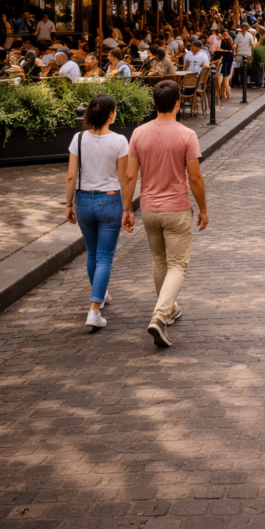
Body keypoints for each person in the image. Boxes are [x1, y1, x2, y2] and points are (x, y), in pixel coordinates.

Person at [122, 81, 208, 347]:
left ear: (153, 104)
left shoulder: (138, 134)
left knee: (159, 262)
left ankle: (169, 310)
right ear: (179, 102)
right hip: (176, 208)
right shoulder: (187, 135)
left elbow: (129, 174)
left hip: (149, 209)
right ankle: (160, 317)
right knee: (177, 265)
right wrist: (203, 208)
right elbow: (194, 178)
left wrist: (127, 208)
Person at [65, 95, 129, 329]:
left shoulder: (78, 138)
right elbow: (123, 177)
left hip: (83, 200)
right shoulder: (120, 141)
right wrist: (128, 207)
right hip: (110, 200)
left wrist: (68, 204)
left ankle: (100, 296)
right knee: (104, 257)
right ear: (111, 114)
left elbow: (71, 175)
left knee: (92, 253)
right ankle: (94, 310)